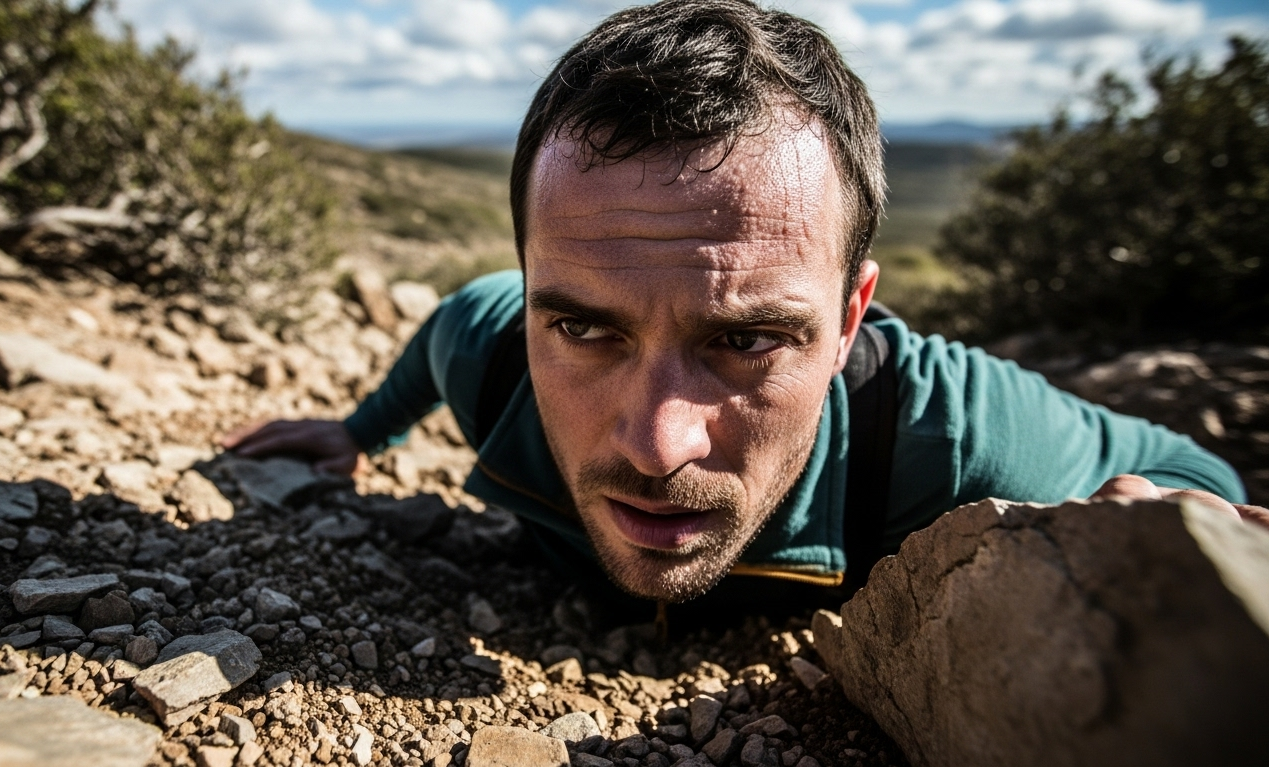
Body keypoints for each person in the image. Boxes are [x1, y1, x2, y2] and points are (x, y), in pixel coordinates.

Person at [224, 0, 1262, 619]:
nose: (657, 442)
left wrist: (1169, 531)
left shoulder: (952, 443)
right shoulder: (490, 348)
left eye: (747, 338)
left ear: (853, 315)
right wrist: (361, 429)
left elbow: (1197, 473)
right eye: (585, 327)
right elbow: (454, 316)